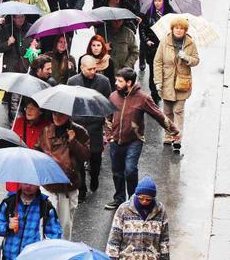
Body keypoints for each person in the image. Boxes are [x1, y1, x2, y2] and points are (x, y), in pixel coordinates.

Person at [105, 68, 179, 210]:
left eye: (119, 81)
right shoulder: (113, 96)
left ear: (129, 82)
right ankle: (119, 199)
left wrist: (173, 130)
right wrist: (110, 137)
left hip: (134, 140)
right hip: (116, 141)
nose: (116, 83)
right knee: (117, 171)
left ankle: (133, 199)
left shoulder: (142, 98)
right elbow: (107, 118)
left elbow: (158, 115)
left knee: (130, 170)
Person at [34, 110, 89, 240]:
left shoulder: (80, 132)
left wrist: (73, 141)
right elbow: (36, 151)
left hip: (67, 188)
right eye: (54, 114)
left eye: (60, 114)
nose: (56, 117)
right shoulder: (46, 131)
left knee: (64, 228)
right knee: (46, 225)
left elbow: (85, 156)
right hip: (48, 186)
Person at [68, 56, 111, 201]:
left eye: (95, 68)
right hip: (79, 126)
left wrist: (104, 119)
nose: (93, 71)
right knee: (78, 160)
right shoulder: (72, 82)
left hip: (95, 126)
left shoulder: (104, 82)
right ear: (81, 68)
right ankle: (82, 190)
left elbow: (107, 103)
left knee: (95, 157)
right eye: (90, 69)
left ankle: (94, 178)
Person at [153, 17, 199, 151]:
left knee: (178, 111)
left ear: (185, 30)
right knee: (167, 111)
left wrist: (187, 58)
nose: (179, 31)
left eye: (181, 28)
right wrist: (158, 81)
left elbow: (196, 60)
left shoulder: (190, 43)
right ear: (172, 29)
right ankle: (168, 135)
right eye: (176, 28)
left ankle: (177, 137)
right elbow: (158, 62)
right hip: (167, 82)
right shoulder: (164, 42)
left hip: (182, 83)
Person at [0, 183, 63, 260]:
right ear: (20, 183)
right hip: (9, 257)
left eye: (32, 183)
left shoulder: (45, 206)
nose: (28, 186)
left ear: (38, 184)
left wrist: (43, 250)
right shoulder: (9, 202)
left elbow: (55, 235)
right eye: (25, 183)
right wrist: (8, 226)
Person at [106, 176, 170, 260]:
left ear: (153, 198)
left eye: (148, 199)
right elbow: (114, 238)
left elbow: (164, 240)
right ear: (137, 195)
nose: (144, 201)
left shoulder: (160, 210)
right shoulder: (123, 209)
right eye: (141, 198)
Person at [140, 0, 173, 102]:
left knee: (165, 71)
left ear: (164, 1)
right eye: (155, 0)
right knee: (153, 71)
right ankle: (154, 92)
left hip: (165, 48)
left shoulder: (170, 14)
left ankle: (162, 90)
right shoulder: (149, 13)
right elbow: (142, 28)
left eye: (159, 0)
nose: (157, 3)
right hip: (152, 48)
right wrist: (146, 40)